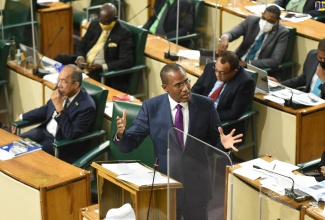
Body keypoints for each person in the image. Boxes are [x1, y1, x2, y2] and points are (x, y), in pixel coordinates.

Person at [113, 63, 242, 220]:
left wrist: (223, 144)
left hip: (197, 184)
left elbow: (215, 142)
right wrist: (121, 135)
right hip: (166, 184)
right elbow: (129, 144)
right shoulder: (151, 107)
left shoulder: (205, 106)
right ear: (165, 87)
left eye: (187, 81)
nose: (186, 88)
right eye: (178, 85)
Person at [11, 64, 96, 163]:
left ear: (76, 84)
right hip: (43, 132)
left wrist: (59, 108)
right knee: (13, 145)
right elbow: (46, 109)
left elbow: (71, 135)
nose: (59, 85)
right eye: (58, 80)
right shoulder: (60, 89)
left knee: (28, 157)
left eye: (64, 81)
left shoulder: (87, 106)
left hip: (60, 142)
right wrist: (22, 116)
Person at [54, 3, 134, 92]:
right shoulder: (95, 24)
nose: (102, 24)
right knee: (59, 58)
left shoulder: (123, 33)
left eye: (106, 22)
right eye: (101, 21)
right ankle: (56, 83)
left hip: (100, 71)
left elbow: (127, 61)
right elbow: (81, 45)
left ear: (114, 19)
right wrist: (80, 57)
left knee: (77, 81)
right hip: (84, 62)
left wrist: (102, 66)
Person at [191, 51, 255, 136]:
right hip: (200, 111)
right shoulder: (210, 67)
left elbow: (234, 113)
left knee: (190, 131)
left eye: (222, 73)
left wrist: (209, 115)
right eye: (216, 70)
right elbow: (196, 89)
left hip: (219, 121)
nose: (217, 75)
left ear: (234, 71)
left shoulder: (245, 82)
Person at [218, 5, 289, 70]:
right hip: (238, 61)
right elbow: (232, 33)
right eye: (264, 18)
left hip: (256, 68)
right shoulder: (251, 21)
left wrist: (248, 63)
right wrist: (225, 38)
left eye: (270, 21)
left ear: (277, 21)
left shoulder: (282, 33)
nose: (265, 22)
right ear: (262, 15)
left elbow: (275, 61)